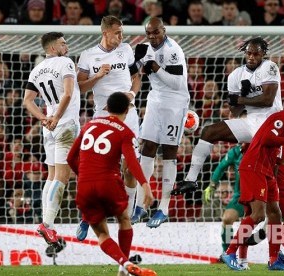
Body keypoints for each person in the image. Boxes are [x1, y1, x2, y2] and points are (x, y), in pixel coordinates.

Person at [173, 37, 282, 195]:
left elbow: (267, 100)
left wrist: (241, 98)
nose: (251, 57)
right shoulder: (235, 75)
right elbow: (235, 112)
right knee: (208, 132)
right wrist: (239, 100)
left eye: (256, 54)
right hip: (252, 123)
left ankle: (276, 212)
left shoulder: (269, 67)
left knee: (273, 176)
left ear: (263, 54)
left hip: (272, 125)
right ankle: (191, 180)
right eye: (248, 53)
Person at [67, 92, 156, 276]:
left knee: (102, 235)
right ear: (127, 110)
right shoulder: (124, 132)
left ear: (106, 108)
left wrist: (83, 174)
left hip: (84, 185)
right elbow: (131, 162)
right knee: (124, 219)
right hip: (109, 182)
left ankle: (124, 264)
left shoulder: (88, 126)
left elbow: (70, 158)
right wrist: (145, 185)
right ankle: (124, 267)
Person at [75, 15, 142, 239]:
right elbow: (80, 88)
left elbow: (137, 77)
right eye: (117, 33)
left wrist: (131, 94)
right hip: (103, 116)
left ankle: (130, 211)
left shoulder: (126, 50)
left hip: (128, 113)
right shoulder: (87, 56)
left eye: (122, 33)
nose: (121, 37)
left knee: (131, 166)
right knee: (98, 171)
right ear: (105, 33)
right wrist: (97, 76)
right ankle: (87, 217)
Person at [129, 17, 190, 228]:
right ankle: (140, 205)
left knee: (169, 151)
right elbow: (134, 72)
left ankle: (163, 208)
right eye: (149, 34)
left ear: (164, 30)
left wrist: (153, 66)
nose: (153, 37)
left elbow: (176, 83)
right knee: (147, 148)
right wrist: (134, 63)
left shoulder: (174, 50)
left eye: (156, 32)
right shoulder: (144, 47)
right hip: (155, 100)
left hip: (175, 102)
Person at [23, 32, 80, 250]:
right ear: (54, 48)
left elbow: (27, 100)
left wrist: (44, 117)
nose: (67, 46)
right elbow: (67, 94)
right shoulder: (65, 62)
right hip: (65, 124)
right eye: (63, 43)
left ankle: (47, 221)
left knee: (52, 174)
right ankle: (47, 223)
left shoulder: (36, 69)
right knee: (63, 176)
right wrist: (56, 117)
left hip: (48, 128)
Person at [221, 109, 284, 271]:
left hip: (268, 171)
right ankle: (230, 252)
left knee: (275, 214)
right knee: (257, 215)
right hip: (254, 167)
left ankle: (273, 259)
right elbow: (268, 138)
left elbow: (283, 155)